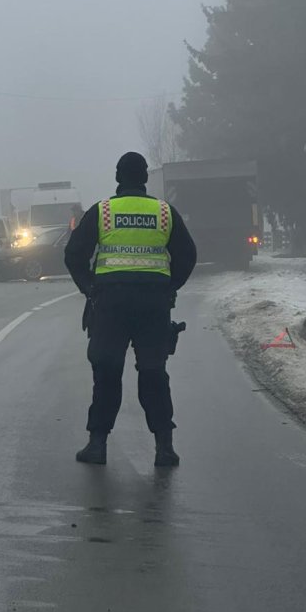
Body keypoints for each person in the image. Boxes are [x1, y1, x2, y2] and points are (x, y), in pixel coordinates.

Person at [64, 151, 197, 468]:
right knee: (153, 371)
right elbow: (188, 255)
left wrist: (89, 287)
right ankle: (164, 447)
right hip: (153, 304)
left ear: (117, 177)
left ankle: (97, 445)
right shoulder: (164, 213)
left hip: (111, 303)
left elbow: (73, 254)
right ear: (146, 178)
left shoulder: (103, 211)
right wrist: (169, 287)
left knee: (107, 370)